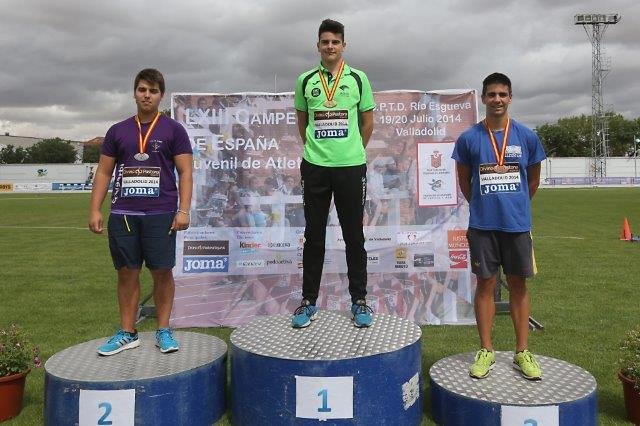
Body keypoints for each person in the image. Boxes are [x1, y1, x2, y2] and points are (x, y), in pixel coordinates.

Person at [89, 68, 193, 356]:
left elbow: (185, 172)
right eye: (142, 89)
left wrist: (183, 210)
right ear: (134, 92)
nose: (147, 95)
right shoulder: (118, 131)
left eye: (153, 91)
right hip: (123, 213)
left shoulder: (174, 130)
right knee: (126, 273)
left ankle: (163, 330)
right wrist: (95, 208)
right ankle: (127, 332)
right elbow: (103, 172)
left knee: (162, 273)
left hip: (161, 213)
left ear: (161, 95)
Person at [452, 72, 546, 380]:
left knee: (519, 286)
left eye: (502, 94)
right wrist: (483, 204)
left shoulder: (527, 137)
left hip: (516, 225)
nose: (497, 100)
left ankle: (522, 352)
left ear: (510, 98)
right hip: (482, 225)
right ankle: (486, 351)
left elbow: (532, 180)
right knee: (486, 286)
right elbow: (464, 181)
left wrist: (515, 205)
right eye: (491, 94)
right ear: (483, 98)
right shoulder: (469, 138)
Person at [291, 18, 375, 328]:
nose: (330, 47)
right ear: (318, 46)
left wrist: (353, 151)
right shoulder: (305, 80)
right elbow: (304, 123)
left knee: (354, 235)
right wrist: (317, 152)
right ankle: (308, 301)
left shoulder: (358, 78)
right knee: (314, 236)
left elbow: (367, 122)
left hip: (351, 166)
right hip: (315, 166)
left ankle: (360, 300)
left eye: (335, 42)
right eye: (325, 42)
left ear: (343, 45)